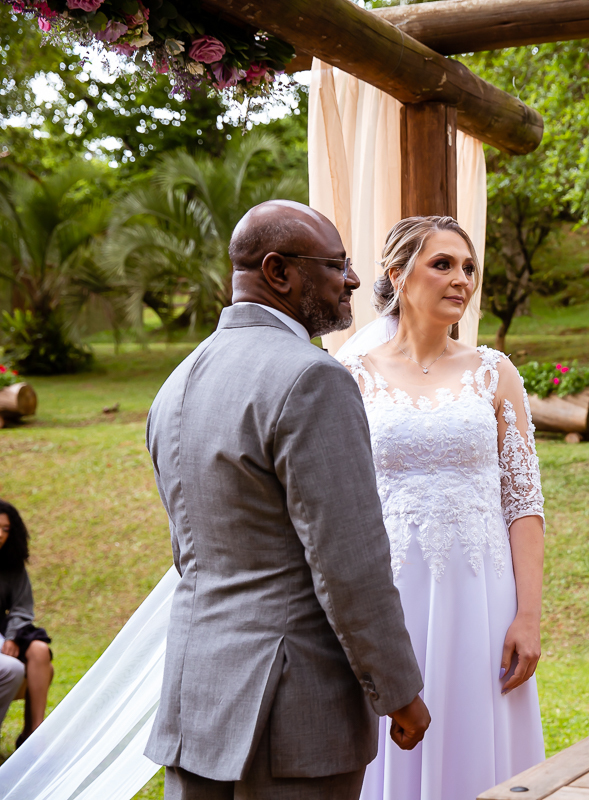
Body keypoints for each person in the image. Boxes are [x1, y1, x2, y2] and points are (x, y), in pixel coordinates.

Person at [144, 200, 430, 800]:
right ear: (278, 272)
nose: (353, 279)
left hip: (196, 695)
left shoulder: (176, 384)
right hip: (293, 709)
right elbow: (349, 563)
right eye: (336, 264)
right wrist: (399, 691)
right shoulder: (312, 380)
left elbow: (190, 552)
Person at [336, 216, 546, 800]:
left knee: (477, 730)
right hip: (391, 592)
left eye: (469, 267)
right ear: (398, 274)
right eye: (443, 264)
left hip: (482, 596)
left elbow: (523, 503)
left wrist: (528, 616)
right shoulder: (350, 378)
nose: (462, 279)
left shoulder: (495, 373)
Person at [0, 500, 54, 749]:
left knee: (40, 650)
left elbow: (22, 607)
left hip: (5, 631)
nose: (1, 534)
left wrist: (12, 636)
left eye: (6, 529)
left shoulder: (12, 565)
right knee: (17, 669)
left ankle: (33, 737)